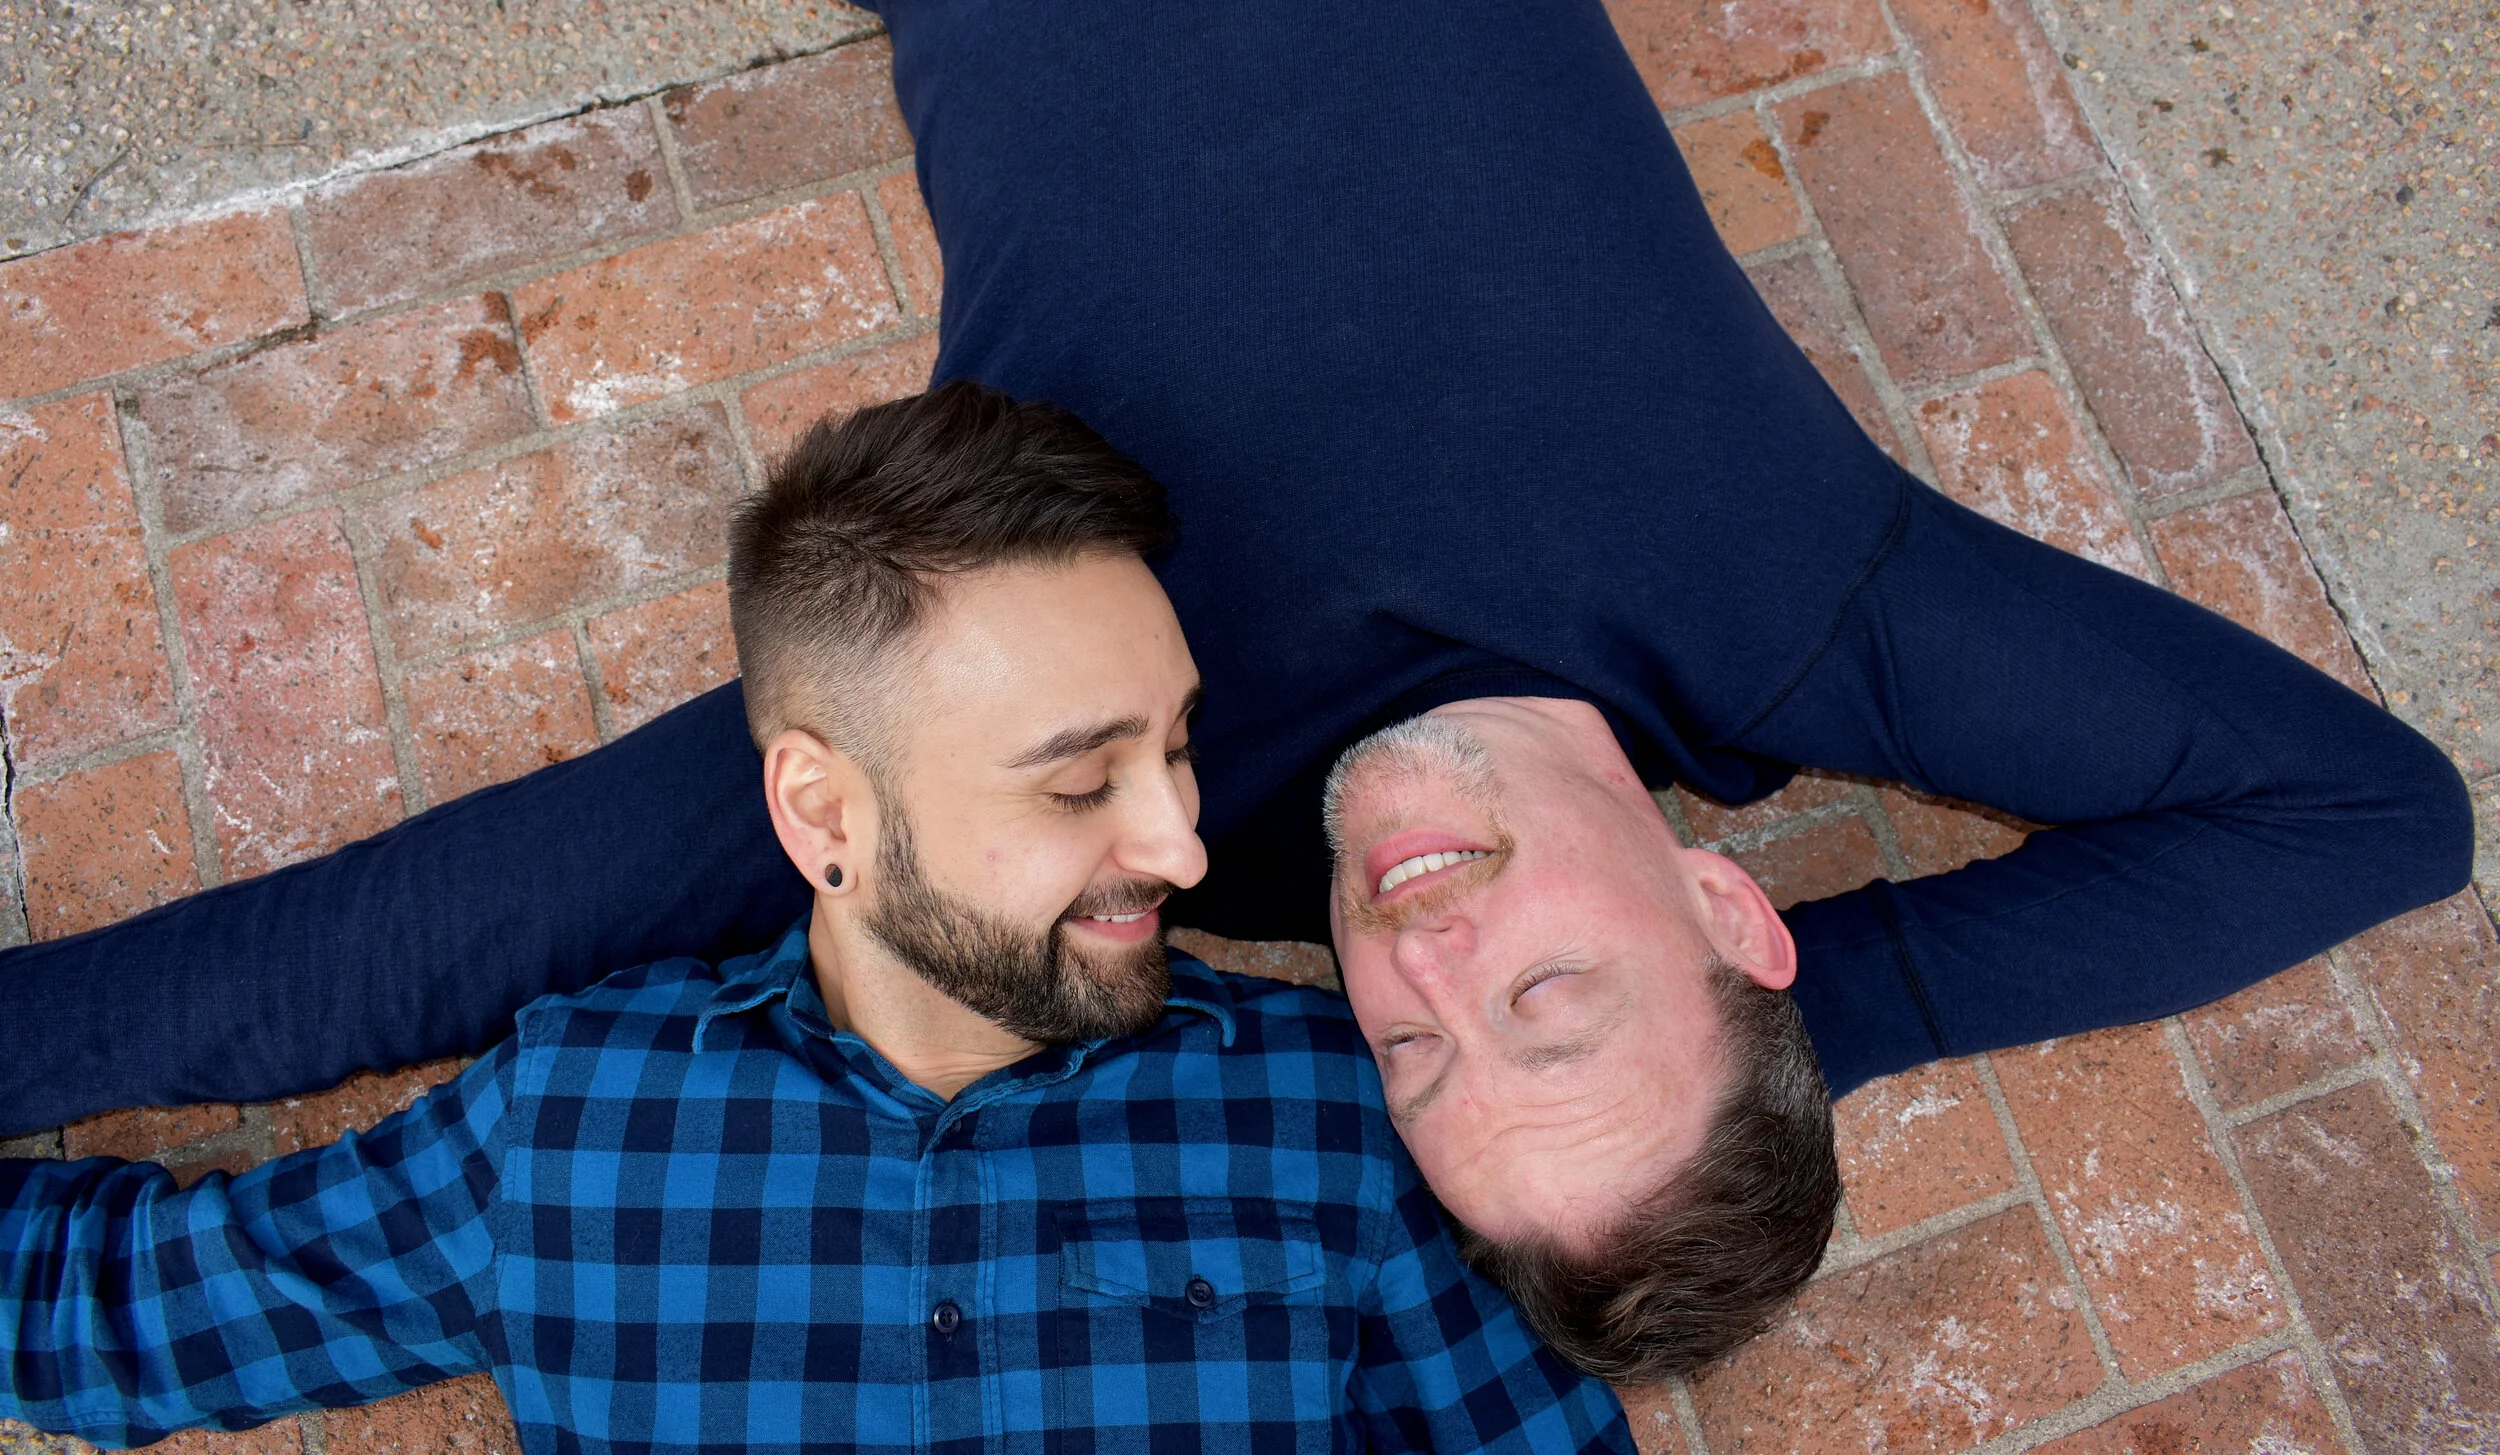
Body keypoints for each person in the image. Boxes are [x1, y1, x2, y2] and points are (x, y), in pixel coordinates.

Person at [0, 0, 2471, 1382]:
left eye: (1417, 1060)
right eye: (1550, 1003)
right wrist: (1847, 1012)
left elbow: (426, 934)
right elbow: (2372, 817)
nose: (1424, 953)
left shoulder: (1101, 759)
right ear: (1734, 913)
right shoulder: (1809, 612)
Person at [0, 387, 1633, 1454]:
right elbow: (116, 1309)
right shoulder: (575, 1122)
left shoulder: (1331, 1112)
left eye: (1178, 745)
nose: (1183, 845)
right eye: (1080, 783)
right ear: (824, 815)